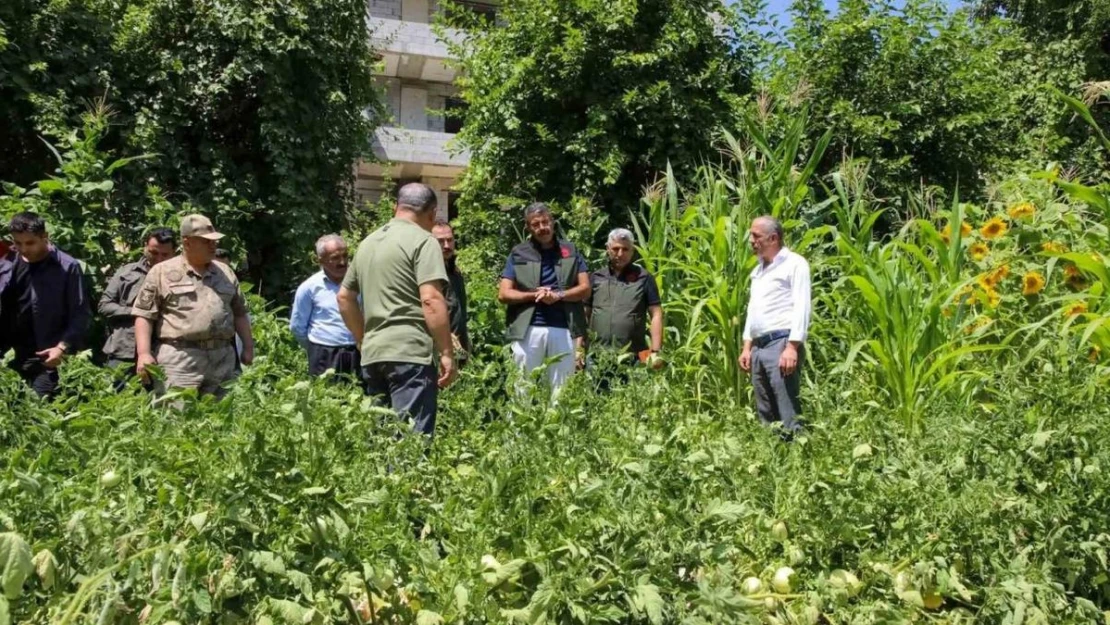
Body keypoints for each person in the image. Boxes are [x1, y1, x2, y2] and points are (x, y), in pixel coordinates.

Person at [337, 183, 456, 437]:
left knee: (381, 440)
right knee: (411, 443)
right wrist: (447, 351)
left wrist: (362, 339)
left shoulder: (368, 243)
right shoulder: (424, 241)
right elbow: (431, 300)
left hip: (373, 355)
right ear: (432, 214)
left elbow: (344, 297)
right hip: (410, 354)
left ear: (396, 208)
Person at [132, 214, 255, 397]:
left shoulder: (225, 272)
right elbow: (144, 316)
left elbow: (239, 313)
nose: (213, 245)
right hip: (179, 359)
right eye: (206, 242)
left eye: (214, 241)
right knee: (177, 418)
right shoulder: (162, 272)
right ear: (187, 242)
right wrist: (143, 353)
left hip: (223, 358)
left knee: (224, 420)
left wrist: (248, 347)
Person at [497, 202, 590, 397]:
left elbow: (585, 289)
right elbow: (504, 294)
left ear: (553, 222)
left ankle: (558, 428)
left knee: (561, 391)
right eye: (536, 224)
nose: (542, 228)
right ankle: (520, 428)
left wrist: (558, 295)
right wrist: (534, 295)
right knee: (522, 388)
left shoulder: (571, 251)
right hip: (528, 330)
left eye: (545, 222)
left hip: (565, 328)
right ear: (528, 227)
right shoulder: (518, 252)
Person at [0, 212, 91, 398]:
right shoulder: (7, 261)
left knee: (39, 413)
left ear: (44, 237)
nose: (23, 249)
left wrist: (62, 347)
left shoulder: (66, 266)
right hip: (9, 354)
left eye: (30, 243)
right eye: (18, 243)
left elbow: (80, 313)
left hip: (46, 357)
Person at [738, 216, 811, 435]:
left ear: (773, 238)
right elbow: (753, 310)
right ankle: (775, 459)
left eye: (756, 236)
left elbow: (802, 306)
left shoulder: (794, 264)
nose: (751, 240)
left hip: (781, 344)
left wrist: (792, 347)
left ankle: (799, 456)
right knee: (766, 411)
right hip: (759, 348)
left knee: (787, 409)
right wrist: (747, 346)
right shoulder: (759, 270)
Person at [98, 229, 177, 376]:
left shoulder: (180, 277)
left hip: (164, 352)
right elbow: (104, 305)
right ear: (145, 247)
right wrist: (138, 312)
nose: (159, 259)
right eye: (154, 253)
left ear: (174, 252)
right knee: (114, 396)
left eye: (165, 255)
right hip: (124, 349)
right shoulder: (126, 272)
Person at [584, 228, 664, 368]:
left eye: (625, 249)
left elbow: (656, 314)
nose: (620, 254)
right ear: (607, 249)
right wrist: (579, 350)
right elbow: (585, 314)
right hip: (597, 357)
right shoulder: (596, 277)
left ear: (632, 251)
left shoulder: (644, 278)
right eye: (615, 248)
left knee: (633, 390)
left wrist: (655, 351)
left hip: (634, 357)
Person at [290, 234, 360, 380]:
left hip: (358, 350)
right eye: (335, 258)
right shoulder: (309, 287)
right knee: (327, 399)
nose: (342, 262)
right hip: (324, 355)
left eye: (345, 255)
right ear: (320, 260)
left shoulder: (360, 282)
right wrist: (316, 348)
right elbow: (297, 326)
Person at [431, 220, 471, 365]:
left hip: (459, 345)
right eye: (440, 241)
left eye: (449, 240)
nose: (447, 246)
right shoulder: (428, 273)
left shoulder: (455, 272)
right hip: (439, 349)